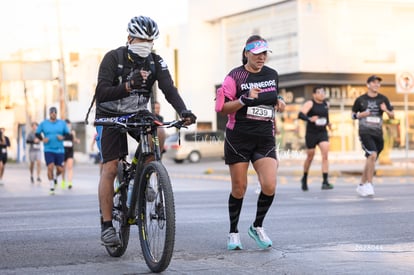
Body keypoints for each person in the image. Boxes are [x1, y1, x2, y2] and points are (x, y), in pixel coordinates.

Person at [94, 15, 196, 246]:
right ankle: (107, 225)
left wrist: (184, 111)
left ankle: (146, 173)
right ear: (130, 38)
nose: (146, 45)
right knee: (110, 167)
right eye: (142, 40)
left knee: (158, 132)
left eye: (151, 41)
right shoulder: (113, 58)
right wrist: (128, 85)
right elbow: (101, 92)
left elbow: (169, 89)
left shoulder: (155, 61)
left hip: (137, 113)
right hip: (109, 116)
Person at [215, 35, 286, 250]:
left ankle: (257, 226)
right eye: (257, 54)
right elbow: (221, 108)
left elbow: (274, 97)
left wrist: (280, 101)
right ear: (246, 53)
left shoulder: (272, 74)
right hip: (239, 138)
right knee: (239, 188)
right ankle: (233, 232)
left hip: (265, 138)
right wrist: (244, 100)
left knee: (270, 184)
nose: (261, 57)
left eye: (264, 53)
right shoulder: (234, 77)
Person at [352, 75, 394, 197]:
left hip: (378, 134)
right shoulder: (360, 100)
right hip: (365, 132)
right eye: (374, 82)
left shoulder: (383, 99)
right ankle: (369, 184)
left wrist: (386, 110)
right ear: (368, 84)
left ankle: (361, 185)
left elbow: (392, 115)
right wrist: (360, 115)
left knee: (371, 159)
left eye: (378, 83)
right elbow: (352, 115)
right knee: (372, 155)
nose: (376, 85)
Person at [298, 86, 334, 191]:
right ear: (314, 94)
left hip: (323, 132)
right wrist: (310, 119)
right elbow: (300, 115)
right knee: (310, 156)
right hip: (311, 133)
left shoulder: (326, 104)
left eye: (323, 92)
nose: (322, 94)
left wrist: (329, 124)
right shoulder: (310, 103)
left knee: (325, 155)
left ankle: (325, 181)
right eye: (319, 92)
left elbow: (326, 117)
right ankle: (304, 178)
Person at [36, 107, 70, 195]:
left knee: (60, 169)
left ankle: (55, 177)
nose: (53, 114)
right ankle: (51, 186)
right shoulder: (44, 123)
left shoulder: (62, 123)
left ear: (56, 114)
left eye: (55, 113)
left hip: (60, 150)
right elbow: (37, 133)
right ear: (49, 114)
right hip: (48, 149)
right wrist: (42, 139)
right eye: (52, 113)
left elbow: (68, 134)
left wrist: (63, 137)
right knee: (50, 167)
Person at [61, 119, 80, 190]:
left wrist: (77, 140)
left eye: (69, 124)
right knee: (63, 168)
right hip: (63, 151)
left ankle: (70, 183)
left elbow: (74, 139)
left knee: (70, 167)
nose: (68, 126)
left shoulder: (72, 132)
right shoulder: (62, 132)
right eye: (67, 125)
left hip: (70, 151)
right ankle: (63, 181)